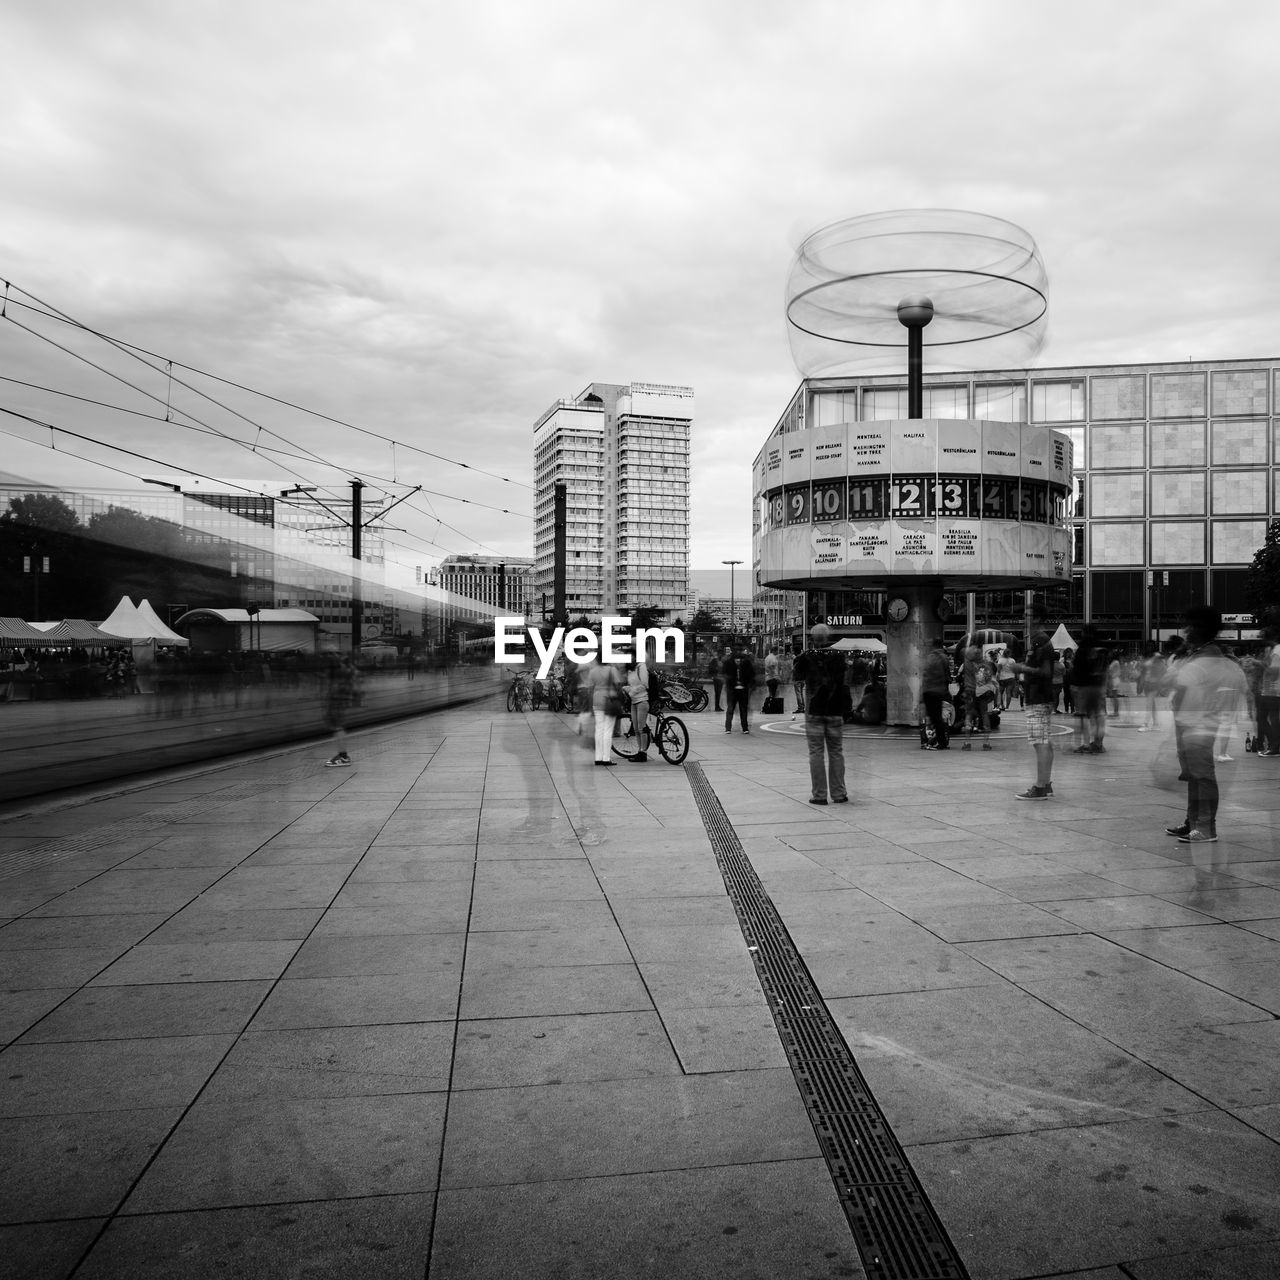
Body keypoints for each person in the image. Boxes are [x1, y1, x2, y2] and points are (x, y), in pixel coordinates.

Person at [1167, 606, 1249, 843]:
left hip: (1200, 723)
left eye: (1190, 625)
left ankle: (1206, 827)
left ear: (1201, 628)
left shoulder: (1210, 656)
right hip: (1188, 720)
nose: (1186, 630)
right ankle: (1193, 821)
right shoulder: (1196, 652)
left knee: (1202, 775)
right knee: (1194, 775)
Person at [794, 644, 850, 804]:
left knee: (816, 753)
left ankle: (819, 795)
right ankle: (839, 793)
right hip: (834, 710)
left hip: (815, 710)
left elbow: (797, 673)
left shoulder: (808, 656)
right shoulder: (838, 656)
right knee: (836, 752)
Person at [1012, 612, 1057, 799]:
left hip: (1038, 696)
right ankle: (1045, 784)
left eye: (1029, 615)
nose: (1026, 618)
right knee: (1044, 741)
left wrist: (1021, 668)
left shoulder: (1041, 640)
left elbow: (1045, 671)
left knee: (1040, 742)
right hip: (1040, 696)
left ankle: (1040, 787)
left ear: (1038, 618)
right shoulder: (1039, 639)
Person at [1071, 628, 1108, 754]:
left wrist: (1075, 684)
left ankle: (1085, 744)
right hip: (1099, 686)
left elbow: (1076, 668)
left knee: (1083, 715)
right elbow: (1105, 668)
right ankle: (1098, 743)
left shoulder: (1082, 649)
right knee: (1098, 715)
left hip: (1084, 686)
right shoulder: (1101, 650)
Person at [585, 653, 624, 767]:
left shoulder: (593, 671)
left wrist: (589, 705)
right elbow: (618, 685)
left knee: (599, 730)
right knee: (608, 730)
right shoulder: (612, 670)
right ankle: (606, 758)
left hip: (596, 700)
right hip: (609, 701)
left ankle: (598, 758)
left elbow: (590, 688)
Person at [323, 653, 359, 766]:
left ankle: (343, 757)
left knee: (338, 728)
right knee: (338, 727)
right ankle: (343, 756)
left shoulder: (342, 675)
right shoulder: (348, 673)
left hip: (337, 702)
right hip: (339, 702)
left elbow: (336, 687)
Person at [960, 646, 996, 750]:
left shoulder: (967, 663)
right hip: (983, 692)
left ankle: (967, 743)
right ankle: (986, 743)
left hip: (970, 691)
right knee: (984, 714)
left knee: (969, 714)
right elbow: (990, 678)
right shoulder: (986, 664)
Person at [920, 637, 952, 750]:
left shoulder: (930, 657)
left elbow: (925, 675)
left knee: (933, 717)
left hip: (929, 691)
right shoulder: (944, 658)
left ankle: (937, 741)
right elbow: (947, 675)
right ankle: (939, 740)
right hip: (939, 690)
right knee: (936, 717)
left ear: (933, 645)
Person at [622, 645, 651, 763]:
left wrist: (631, 691)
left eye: (631, 656)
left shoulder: (641, 666)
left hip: (642, 700)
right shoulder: (631, 669)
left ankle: (643, 752)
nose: (630, 658)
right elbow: (633, 684)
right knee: (636, 729)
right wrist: (626, 688)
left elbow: (645, 684)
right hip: (634, 701)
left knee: (641, 727)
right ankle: (640, 751)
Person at [722, 642, 755, 734]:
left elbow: (751, 675)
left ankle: (745, 727)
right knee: (731, 708)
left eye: (740, 650)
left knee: (743, 709)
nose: (738, 652)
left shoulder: (746, 662)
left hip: (743, 689)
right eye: (736, 650)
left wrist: (749, 684)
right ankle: (728, 727)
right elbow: (725, 673)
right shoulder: (729, 662)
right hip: (732, 689)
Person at [1256, 628, 1280, 756]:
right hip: (1272, 690)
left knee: (1264, 718)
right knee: (1270, 717)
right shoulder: (1275, 651)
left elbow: (1274, 672)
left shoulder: (1276, 652)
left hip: (1272, 690)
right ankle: (1274, 745)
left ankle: (1275, 746)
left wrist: (1260, 664)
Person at [1138, 643, 1167, 731]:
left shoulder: (1157, 657)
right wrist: (1141, 683)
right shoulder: (1149, 658)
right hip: (1147, 684)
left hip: (1154, 684)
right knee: (1152, 705)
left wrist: (1160, 681)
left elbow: (1164, 670)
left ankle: (1146, 724)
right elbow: (1144, 669)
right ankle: (1156, 724)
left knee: (1149, 704)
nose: (1148, 648)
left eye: (1150, 646)